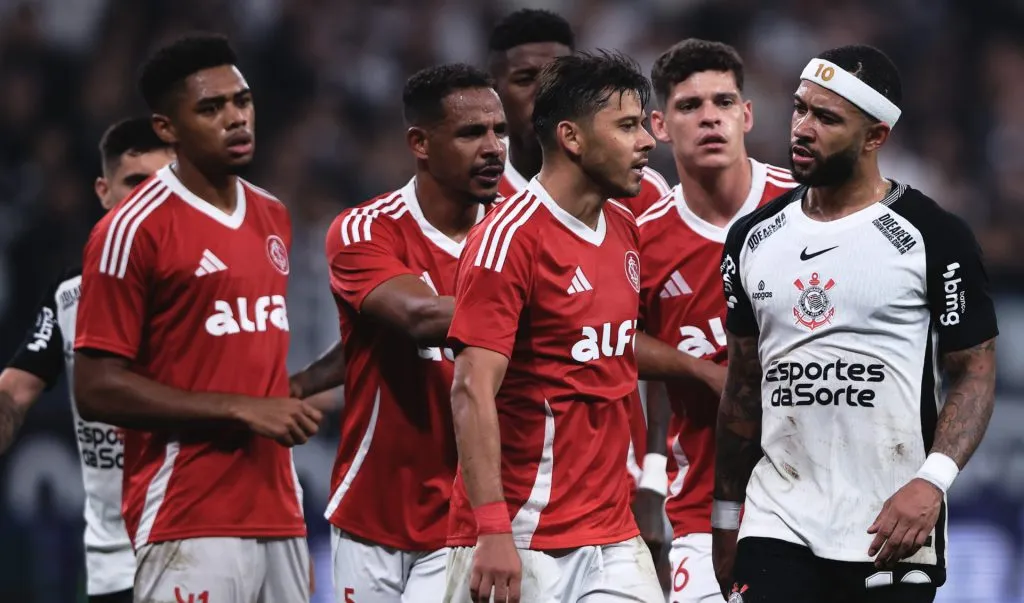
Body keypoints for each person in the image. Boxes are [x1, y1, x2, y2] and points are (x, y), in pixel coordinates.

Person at [712, 45, 998, 603]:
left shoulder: (933, 235)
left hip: (891, 521)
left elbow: (974, 372)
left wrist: (932, 482)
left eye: (826, 118)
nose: (802, 128)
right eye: (800, 109)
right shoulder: (752, 237)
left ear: (875, 138)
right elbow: (743, 384)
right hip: (779, 516)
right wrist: (726, 515)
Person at [73, 34, 319, 602]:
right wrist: (239, 408)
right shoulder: (130, 230)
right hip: (188, 507)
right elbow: (96, 387)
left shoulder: (272, 214)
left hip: (279, 508)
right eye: (211, 108)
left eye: (242, 101)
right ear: (167, 129)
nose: (236, 118)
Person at [443, 51, 663, 603]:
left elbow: (613, 361)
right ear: (572, 137)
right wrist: (491, 527)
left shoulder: (624, 227)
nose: (647, 142)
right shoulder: (509, 239)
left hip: (612, 531)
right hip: (521, 531)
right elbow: (471, 389)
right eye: (628, 126)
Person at [322, 63, 506, 602]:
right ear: (420, 143)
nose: (494, 147)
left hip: (469, 515)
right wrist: (542, 304)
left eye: (500, 131)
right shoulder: (366, 229)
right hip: (373, 511)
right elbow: (419, 317)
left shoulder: (519, 234)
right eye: (473, 133)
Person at [633, 39, 797, 602]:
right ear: (659, 124)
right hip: (702, 511)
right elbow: (608, 336)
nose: (709, 118)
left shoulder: (805, 211)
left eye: (723, 102)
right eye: (688, 106)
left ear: (746, 115)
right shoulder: (644, 239)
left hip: (814, 506)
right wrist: (700, 371)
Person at [0, 117, 173, 603]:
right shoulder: (70, 296)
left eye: (165, 187)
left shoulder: (211, 293)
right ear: (104, 191)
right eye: (136, 183)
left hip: (200, 547)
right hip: (113, 561)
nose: (148, 201)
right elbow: (15, 389)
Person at [488, 8, 671, 216]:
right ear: (493, 94)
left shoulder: (643, 188)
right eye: (524, 79)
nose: (542, 93)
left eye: (557, 77)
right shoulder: (472, 184)